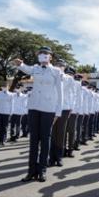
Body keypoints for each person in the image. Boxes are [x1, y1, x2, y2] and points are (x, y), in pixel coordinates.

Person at [13, 46, 63, 183]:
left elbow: (60, 93)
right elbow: (26, 69)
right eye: (41, 53)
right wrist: (20, 64)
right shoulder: (35, 68)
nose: (43, 55)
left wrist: (58, 112)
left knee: (45, 140)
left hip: (48, 108)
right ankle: (31, 171)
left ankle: (42, 171)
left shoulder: (56, 71)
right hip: (34, 106)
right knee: (33, 140)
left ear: (51, 57)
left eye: (46, 53)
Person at [50, 62, 75, 166]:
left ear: (64, 67)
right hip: (51, 107)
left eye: (61, 65)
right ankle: (51, 157)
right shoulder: (51, 75)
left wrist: (71, 108)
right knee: (51, 133)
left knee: (61, 133)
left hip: (64, 107)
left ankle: (59, 157)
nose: (59, 66)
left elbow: (72, 94)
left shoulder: (69, 78)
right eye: (57, 64)